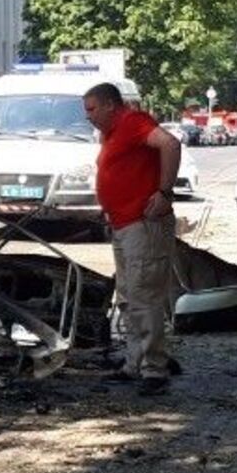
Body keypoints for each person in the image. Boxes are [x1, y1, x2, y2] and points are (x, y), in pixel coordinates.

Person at [84, 82, 182, 396]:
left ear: (111, 105)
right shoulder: (111, 133)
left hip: (144, 224)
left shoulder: (133, 122)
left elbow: (170, 144)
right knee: (129, 296)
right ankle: (134, 363)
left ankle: (155, 369)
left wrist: (165, 193)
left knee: (144, 296)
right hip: (123, 223)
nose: (88, 116)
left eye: (92, 108)